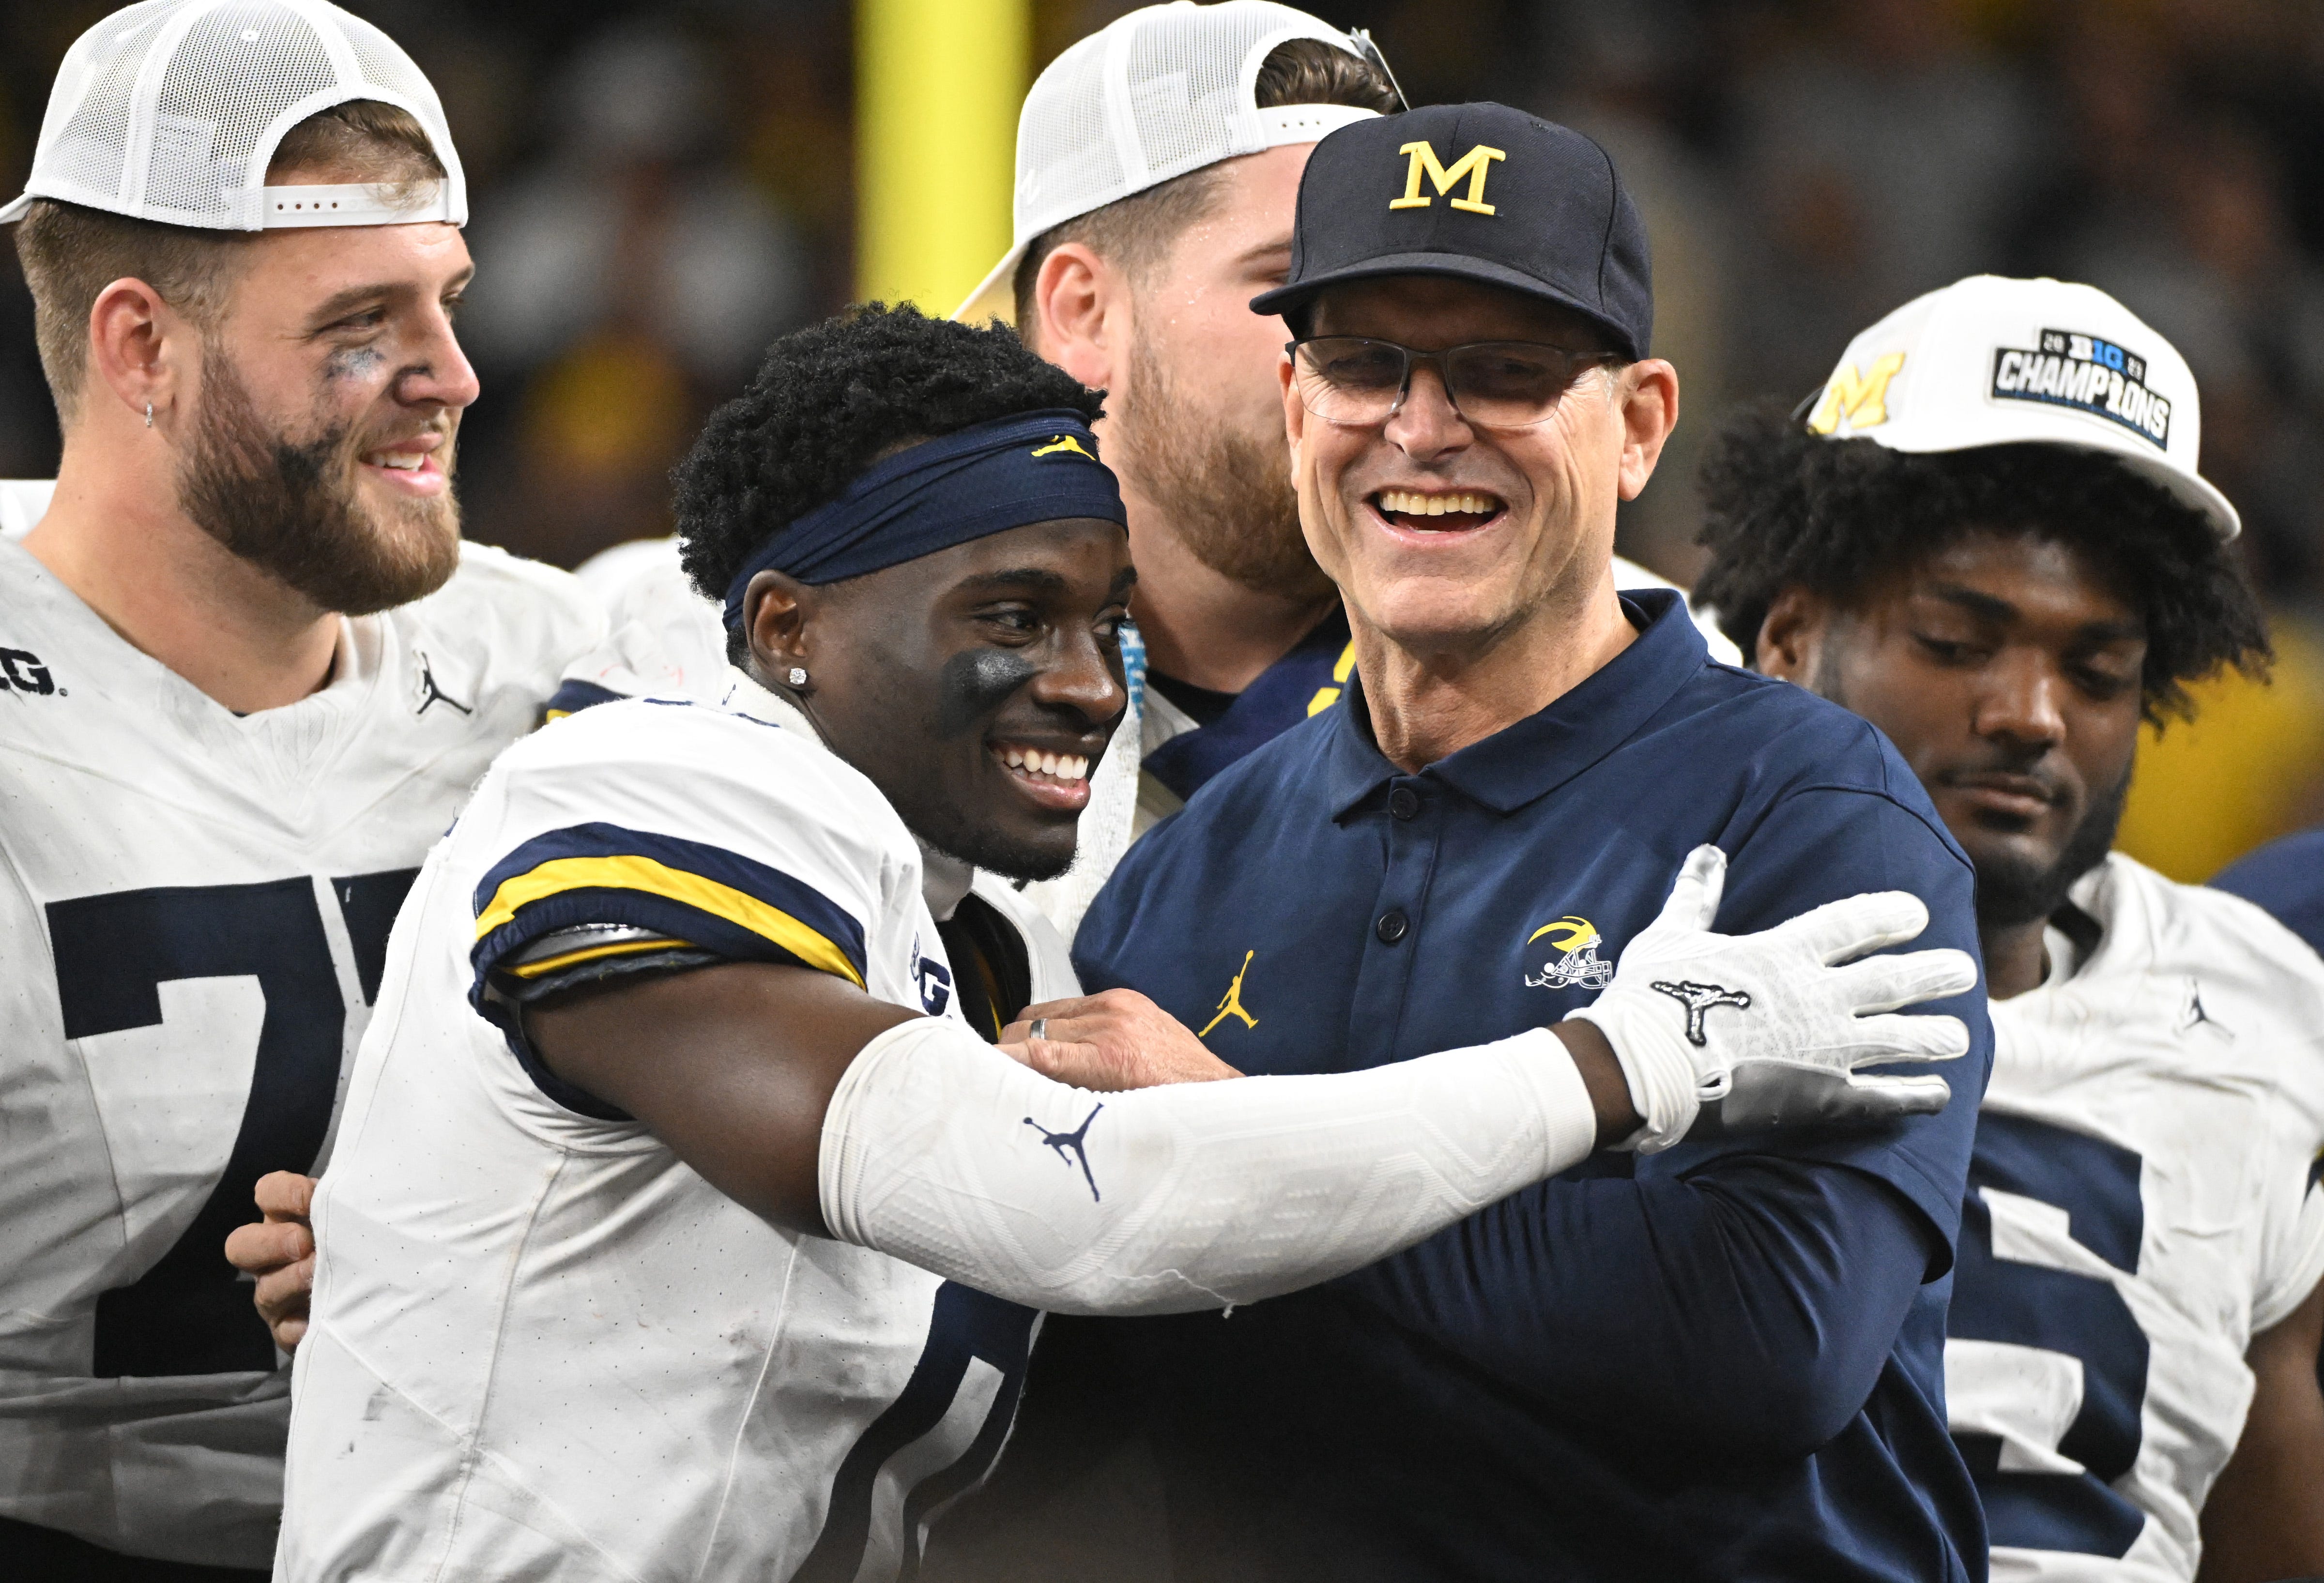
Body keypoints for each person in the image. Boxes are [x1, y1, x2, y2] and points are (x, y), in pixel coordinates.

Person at [277, 303, 1973, 1582]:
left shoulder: (992, 956)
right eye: (1012, 617)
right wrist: (1620, 1060)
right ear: (784, 627)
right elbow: (1079, 1202)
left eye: (1110, 623)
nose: (1092, 685)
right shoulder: (659, 786)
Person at [1035, 102, 1996, 1582]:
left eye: (1506, 372)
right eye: (1365, 365)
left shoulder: (1812, 817)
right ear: (1296, 403)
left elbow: (1766, 1339)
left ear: (1640, 424)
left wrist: (1219, 1136)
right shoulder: (1181, 876)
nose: (1423, 428)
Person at [572, 0, 1737, 934]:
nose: (1387, 372)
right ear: (1083, 310)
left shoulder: (1647, 677)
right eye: (1300, 292)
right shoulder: (736, 641)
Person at [0, 3, 609, 1575]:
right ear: (141, 346)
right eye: (362, 324)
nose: (457, 376)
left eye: (450, 302)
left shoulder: (553, 658)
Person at [1693, 274, 2324, 1583]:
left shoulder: (2266, 1004)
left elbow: (2265, 1509)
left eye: (2097, 671)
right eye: (1956, 639)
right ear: (1790, 634)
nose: (2032, 712)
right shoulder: (1627, 921)